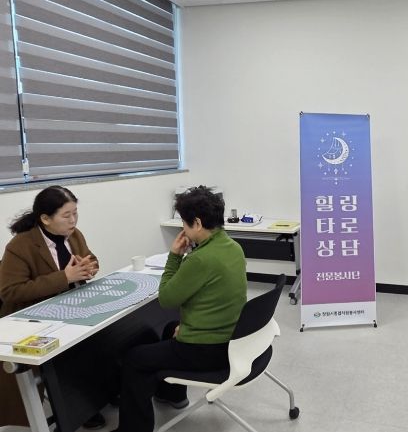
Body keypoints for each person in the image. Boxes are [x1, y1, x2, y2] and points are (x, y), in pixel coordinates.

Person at [111, 186, 247, 432]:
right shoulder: (233, 247)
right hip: (231, 339)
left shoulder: (200, 259)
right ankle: (172, 395)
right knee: (170, 328)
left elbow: (167, 298)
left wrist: (174, 256)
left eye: (184, 223)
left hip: (207, 350)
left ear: (197, 223)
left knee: (134, 359)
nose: (182, 229)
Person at [0, 185, 104, 428]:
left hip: (71, 308)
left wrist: (90, 267)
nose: (73, 220)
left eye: (75, 213)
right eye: (66, 215)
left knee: (106, 339)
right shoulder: (21, 245)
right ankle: (75, 408)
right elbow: (9, 291)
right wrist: (64, 277)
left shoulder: (74, 235)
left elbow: (90, 258)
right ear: (45, 219)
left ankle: (92, 401)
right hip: (32, 318)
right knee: (71, 355)